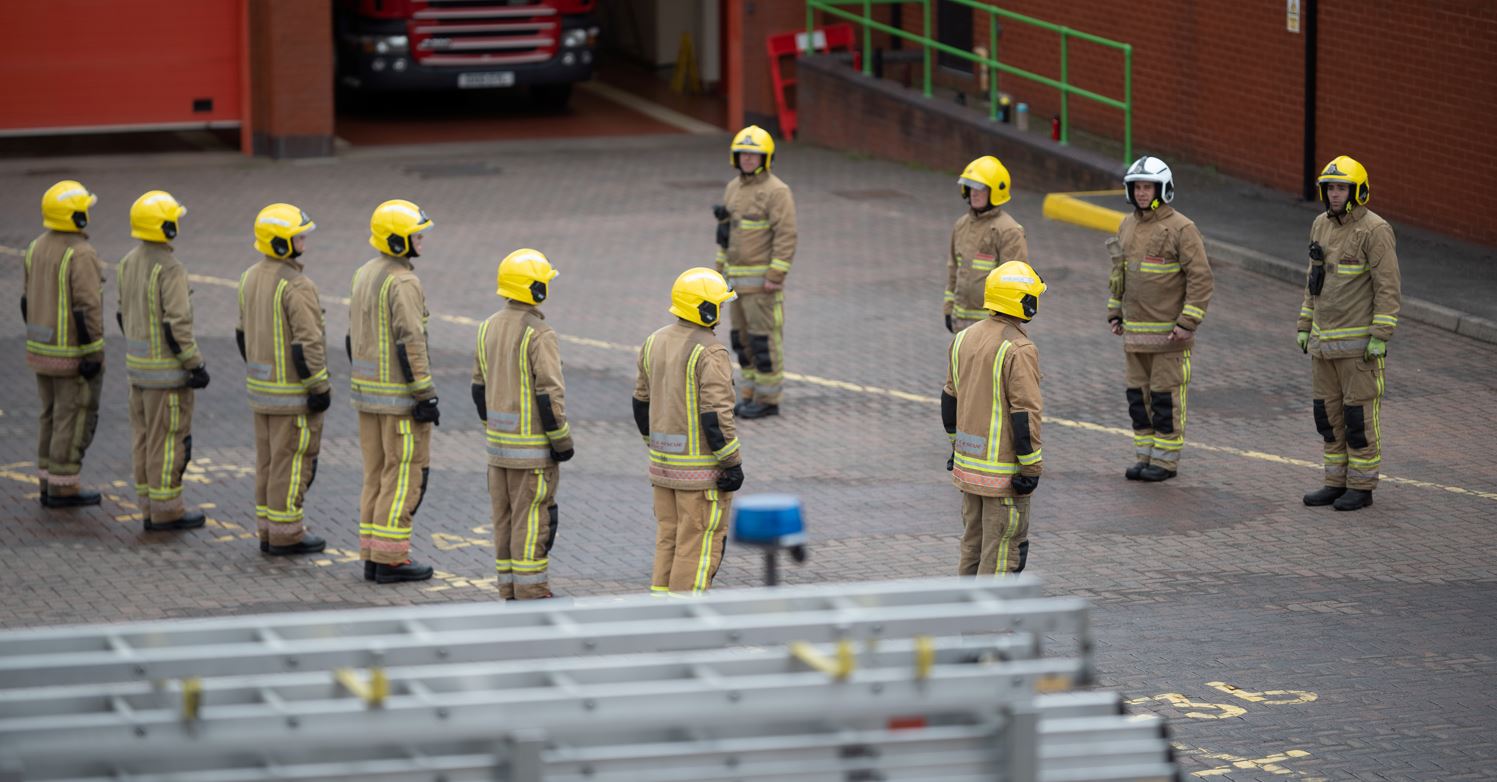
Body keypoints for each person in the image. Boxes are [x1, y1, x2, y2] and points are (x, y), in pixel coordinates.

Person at [1297, 155, 1400, 511]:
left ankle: (1361, 486)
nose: (1335, 194)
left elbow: (1388, 287)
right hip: (1323, 347)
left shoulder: (1375, 230)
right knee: (1328, 418)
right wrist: (1304, 324)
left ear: (1358, 191)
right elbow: (1314, 282)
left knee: (1358, 420)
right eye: (1330, 188)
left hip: (1359, 351)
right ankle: (1334, 482)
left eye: (1342, 188)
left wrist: (1380, 335)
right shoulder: (1319, 225)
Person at [634, 268, 744, 595]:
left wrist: (656, 446)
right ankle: (687, 617)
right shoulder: (710, 351)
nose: (721, 313)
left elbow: (641, 403)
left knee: (669, 538)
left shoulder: (653, 341)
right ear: (705, 309)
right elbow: (715, 415)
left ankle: (661, 609)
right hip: (699, 474)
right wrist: (731, 463)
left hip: (663, 467)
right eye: (718, 306)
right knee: (695, 547)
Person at [472, 249, 573, 599]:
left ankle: (509, 589)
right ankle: (532, 592)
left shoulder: (487, 326)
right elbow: (549, 395)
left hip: (498, 449)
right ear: (535, 288)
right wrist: (562, 442)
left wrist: (495, 430)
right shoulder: (539, 333)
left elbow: (478, 388)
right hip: (531, 454)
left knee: (503, 519)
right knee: (532, 521)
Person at [1107, 156, 1213, 482]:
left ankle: (1165, 462)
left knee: (1165, 401)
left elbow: (1201, 279)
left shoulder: (1182, 228)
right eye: (1137, 186)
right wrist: (1115, 311)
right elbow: (1119, 273)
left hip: (1169, 337)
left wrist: (1187, 323)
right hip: (1135, 334)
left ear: (1162, 189)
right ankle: (1145, 457)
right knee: (1138, 399)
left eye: (1147, 187)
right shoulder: (1127, 225)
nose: (1141, 193)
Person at [349, 199, 438, 583]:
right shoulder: (403, 280)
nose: (422, 240)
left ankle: (372, 554)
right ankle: (391, 560)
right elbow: (410, 341)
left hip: (367, 394)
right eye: (417, 234)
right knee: (403, 476)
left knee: (376, 474)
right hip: (399, 399)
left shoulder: (365, 273)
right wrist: (425, 394)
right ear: (399, 240)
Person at [236, 203, 330, 554]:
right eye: (298, 237)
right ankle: (287, 533)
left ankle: (268, 528)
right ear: (280, 243)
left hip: (261, 391)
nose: (304, 242)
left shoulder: (249, 276)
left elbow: (241, 334)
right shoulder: (296, 284)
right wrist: (319, 386)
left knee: (267, 461)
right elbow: (307, 343)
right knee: (291, 463)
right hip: (292, 394)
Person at [943, 261, 1046, 575]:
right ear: (1022, 301)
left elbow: (949, 400)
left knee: (972, 546)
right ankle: (992, 621)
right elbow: (1025, 414)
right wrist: (1030, 466)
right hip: (1003, 476)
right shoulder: (1018, 347)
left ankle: (968, 616)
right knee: (1002, 551)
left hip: (969, 467)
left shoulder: (964, 338)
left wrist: (956, 448)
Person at [118, 190, 209, 531]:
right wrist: (194, 364)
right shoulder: (169, 267)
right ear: (166, 227)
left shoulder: (128, 261)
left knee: (143, 439)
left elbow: (120, 313)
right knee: (169, 441)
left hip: (137, 371)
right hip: (167, 376)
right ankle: (167, 510)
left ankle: (148, 504)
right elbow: (177, 324)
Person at [24, 181, 106, 507]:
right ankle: (64, 485)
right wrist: (93, 351)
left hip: (40, 350)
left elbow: (24, 300)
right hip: (71, 353)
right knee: (71, 417)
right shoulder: (80, 253)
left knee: (49, 414)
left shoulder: (35, 247)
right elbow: (87, 307)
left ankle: (46, 479)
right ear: (76, 216)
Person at [715, 125, 797, 419]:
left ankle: (768, 399)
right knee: (742, 341)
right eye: (743, 155)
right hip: (736, 285)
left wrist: (775, 276)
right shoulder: (733, 188)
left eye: (753, 155)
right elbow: (724, 233)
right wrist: (719, 272)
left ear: (765, 158)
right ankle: (749, 393)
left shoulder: (777, 191)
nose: (748, 160)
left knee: (764, 342)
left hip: (763, 287)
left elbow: (786, 236)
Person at [945, 155, 1028, 333]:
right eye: (970, 186)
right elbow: (953, 269)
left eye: (980, 187)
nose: (973, 192)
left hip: (991, 326)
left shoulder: (1009, 231)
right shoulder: (961, 225)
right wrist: (948, 308)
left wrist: (1004, 324)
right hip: (961, 322)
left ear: (996, 191)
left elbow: (1014, 284)